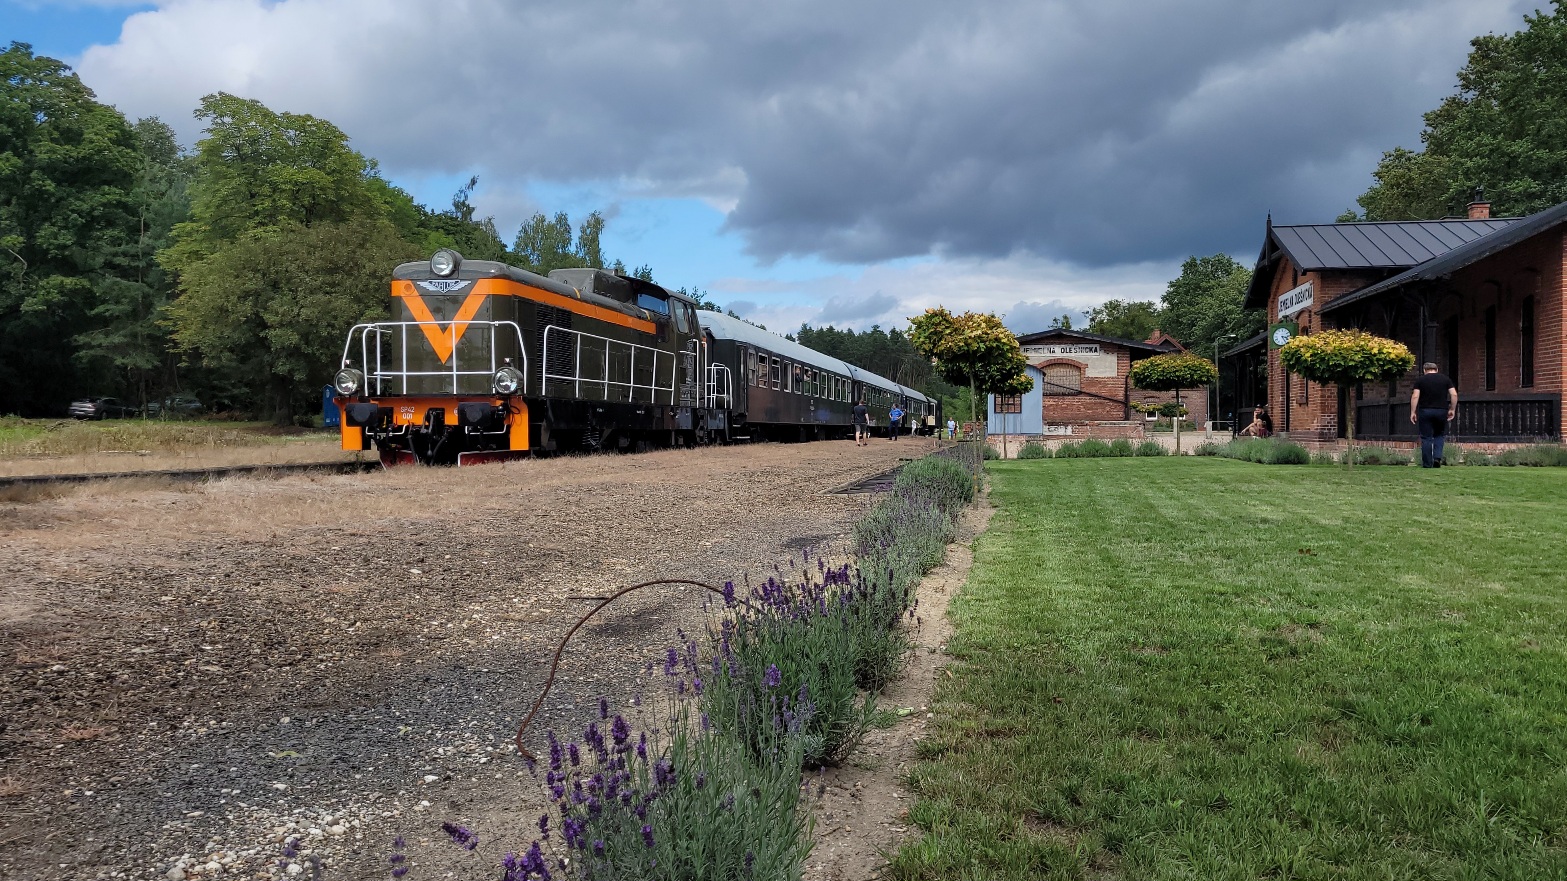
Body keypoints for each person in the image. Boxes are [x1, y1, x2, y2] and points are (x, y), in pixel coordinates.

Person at [1410, 361, 1458, 467]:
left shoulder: (1420, 380)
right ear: (1437, 370)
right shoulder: (1445, 379)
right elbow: (1454, 394)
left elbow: (1415, 396)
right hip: (1441, 410)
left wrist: (1413, 412)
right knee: (1439, 435)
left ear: (1424, 370)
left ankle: (1427, 463)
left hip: (1425, 410)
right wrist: (1452, 409)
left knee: (1426, 437)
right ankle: (1437, 458)